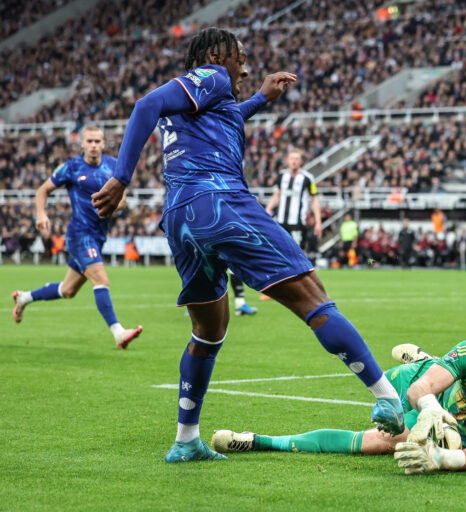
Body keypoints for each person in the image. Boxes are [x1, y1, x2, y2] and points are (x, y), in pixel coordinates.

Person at [91, 28, 404, 463]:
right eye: (240, 58)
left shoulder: (199, 104)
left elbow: (225, 120)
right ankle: (388, 398)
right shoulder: (213, 75)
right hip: (220, 201)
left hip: (179, 217)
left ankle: (186, 440)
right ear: (217, 56)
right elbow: (145, 104)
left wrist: (260, 98)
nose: (244, 68)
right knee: (315, 300)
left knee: (208, 332)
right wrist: (120, 178)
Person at [210, 310, 466, 474]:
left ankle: (428, 360)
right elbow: (421, 389)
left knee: (388, 441)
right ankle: (259, 441)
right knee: (387, 421)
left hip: (454, 432)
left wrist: (441, 460)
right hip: (420, 388)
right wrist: (430, 407)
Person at [11, 125, 143, 349]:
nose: (93, 145)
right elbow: (43, 190)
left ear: (104, 143)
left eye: (97, 141)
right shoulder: (71, 167)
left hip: (98, 236)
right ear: (82, 143)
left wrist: (112, 205)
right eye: (89, 141)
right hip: (79, 234)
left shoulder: (114, 166)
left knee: (68, 290)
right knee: (101, 280)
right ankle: (118, 332)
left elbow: (122, 200)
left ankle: (24, 298)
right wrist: (41, 214)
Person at [265, 149, 323, 252]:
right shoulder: (282, 175)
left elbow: (314, 200)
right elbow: (277, 194)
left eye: (296, 159)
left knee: (299, 252)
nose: (294, 161)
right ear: (287, 160)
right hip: (281, 221)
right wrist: (268, 208)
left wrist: (318, 222)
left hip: (298, 222)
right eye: (292, 158)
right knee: (280, 251)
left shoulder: (308, 178)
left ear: (301, 161)